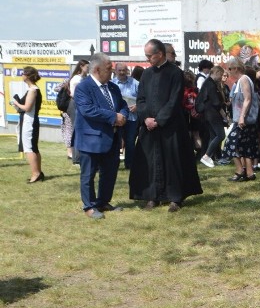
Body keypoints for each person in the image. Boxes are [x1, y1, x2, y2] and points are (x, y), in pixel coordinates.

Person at [129, 38, 203, 212]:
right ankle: (152, 196)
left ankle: (175, 198)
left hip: (170, 126)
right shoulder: (146, 74)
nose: (147, 59)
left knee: (173, 161)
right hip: (149, 127)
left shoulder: (175, 73)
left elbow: (174, 100)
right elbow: (141, 99)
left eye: (149, 56)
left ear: (160, 54)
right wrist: (146, 118)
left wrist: (159, 120)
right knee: (150, 162)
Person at [73, 53, 129, 219]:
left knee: (110, 172)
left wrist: (123, 116)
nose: (112, 71)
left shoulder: (112, 87)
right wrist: (114, 117)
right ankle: (89, 206)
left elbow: (123, 105)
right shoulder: (84, 87)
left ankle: (103, 202)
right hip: (91, 139)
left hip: (112, 138)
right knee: (88, 175)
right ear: (97, 69)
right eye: (109, 68)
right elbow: (88, 110)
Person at [221, 58, 259, 181]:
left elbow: (248, 98)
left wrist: (242, 116)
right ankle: (249, 173)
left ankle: (239, 170)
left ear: (236, 68)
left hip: (244, 120)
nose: (228, 72)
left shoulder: (243, 79)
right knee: (245, 147)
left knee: (230, 144)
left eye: (230, 69)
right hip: (244, 119)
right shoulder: (240, 81)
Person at [12, 66, 45, 183]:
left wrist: (16, 103)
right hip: (30, 120)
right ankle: (38, 172)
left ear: (27, 76)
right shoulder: (32, 89)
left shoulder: (32, 90)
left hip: (29, 122)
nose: (21, 75)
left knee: (29, 149)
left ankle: (35, 174)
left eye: (23, 73)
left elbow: (27, 107)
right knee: (34, 148)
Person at [198, 65, 228, 168]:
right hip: (212, 114)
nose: (221, 77)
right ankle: (206, 156)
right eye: (220, 75)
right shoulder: (210, 84)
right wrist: (224, 115)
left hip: (207, 114)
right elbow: (216, 102)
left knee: (213, 136)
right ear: (215, 73)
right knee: (220, 135)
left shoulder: (207, 83)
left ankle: (209, 156)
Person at [113, 62, 139, 170]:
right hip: (117, 118)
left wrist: (138, 106)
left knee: (130, 141)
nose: (122, 72)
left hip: (132, 118)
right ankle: (114, 164)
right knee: (116, 142)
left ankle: (130, 164)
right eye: (120, 70)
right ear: (115, 71)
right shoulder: (111, 84)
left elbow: (143, 98)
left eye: (124, 70)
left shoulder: (135, 83)